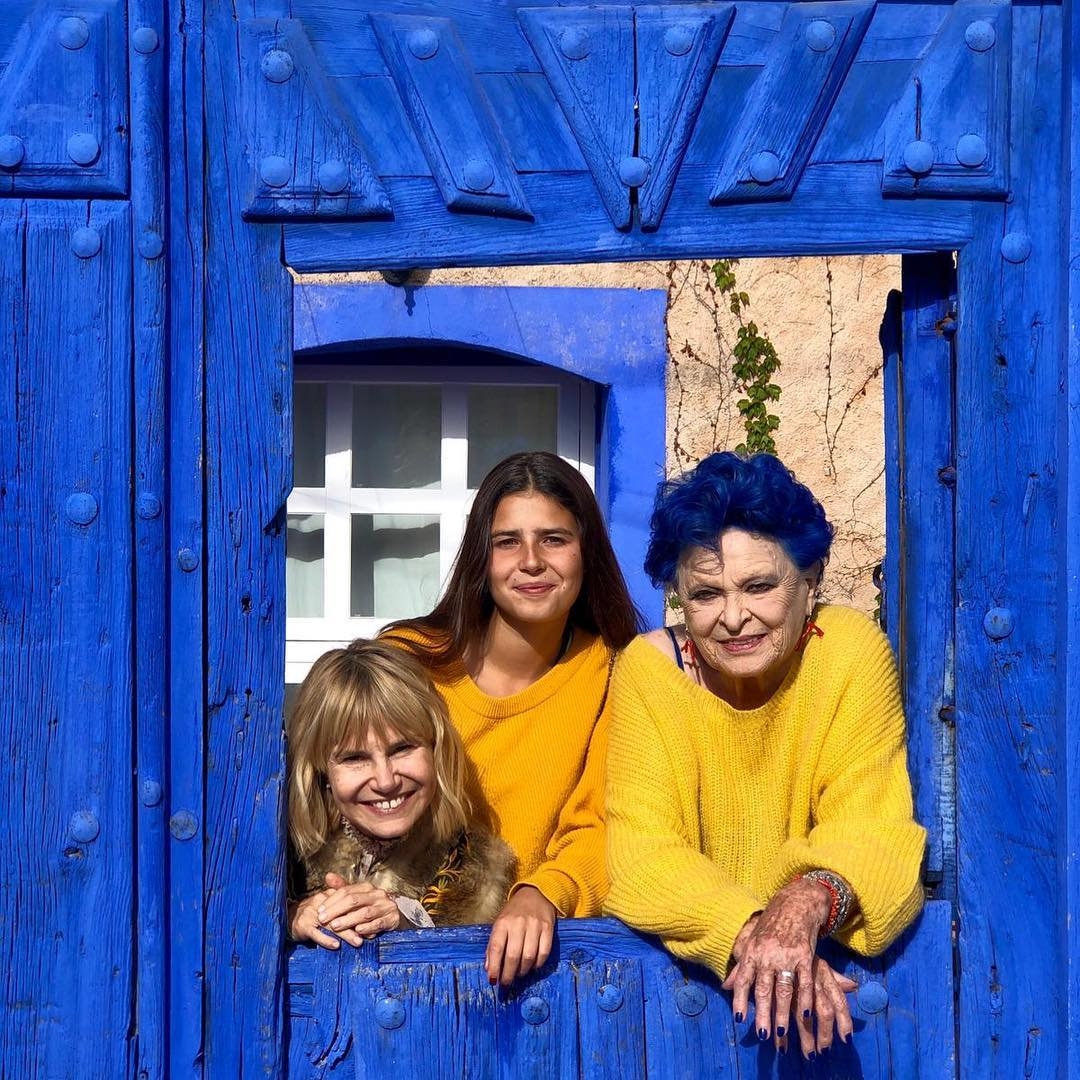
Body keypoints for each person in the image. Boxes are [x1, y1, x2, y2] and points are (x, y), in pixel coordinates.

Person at [604, 452, 926, 1061]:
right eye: (704, 594)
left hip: (846, 1018)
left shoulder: (848, 652)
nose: (732, 617)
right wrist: (758, 931)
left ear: (809, 584)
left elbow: (873, 826)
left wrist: (807, 901)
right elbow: (640, 857)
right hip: (669, 1020)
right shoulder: (649, 673)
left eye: (759, 586)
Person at [383, 451, 640, 985]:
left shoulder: (615, 674)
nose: (530, 561)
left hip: (541, 964)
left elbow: (602, 826)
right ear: (482, 558)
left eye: (554, 538)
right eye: (507, 542)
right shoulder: (408, 659)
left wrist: (542, 891)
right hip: (390, 946)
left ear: (586, 552)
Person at [287, 640, 515, 948]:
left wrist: (407, 921)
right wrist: (287, 917)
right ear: (321, 769)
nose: (385, 780)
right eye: (354, 758)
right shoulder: (282, 857)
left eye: (402, 748)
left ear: (435, 747)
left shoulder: (482, 872)